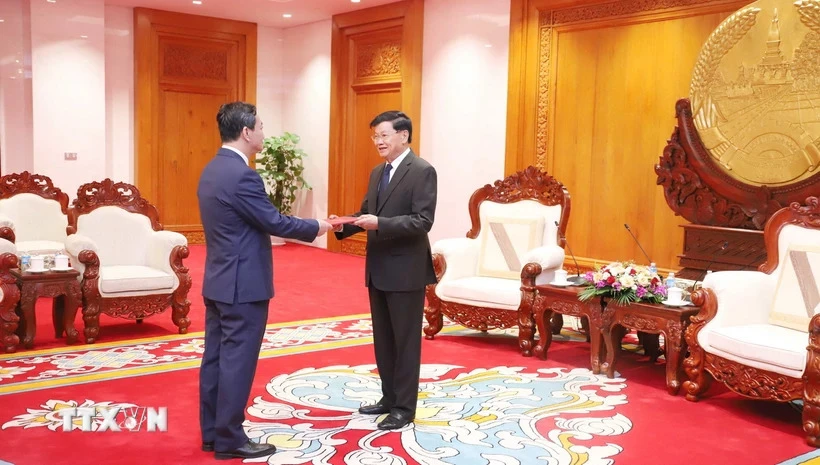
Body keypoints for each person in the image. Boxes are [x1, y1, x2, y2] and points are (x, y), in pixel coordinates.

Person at [197, 101, 332, 460]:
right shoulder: (243, 175)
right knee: (237, 362)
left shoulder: (212, 169)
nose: (263, 133)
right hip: (243, 285)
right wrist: (318, 226)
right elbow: (274, 222)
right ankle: (229, 439)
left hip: (219, 280)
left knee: (215, 359)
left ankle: (212, 432)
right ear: (246, 132)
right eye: (260, 126)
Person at [333, 110, 437, 430]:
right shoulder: (378, 172)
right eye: (375, 136)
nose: (378, 141)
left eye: (383, 135)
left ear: (403, 136)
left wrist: (381, 223)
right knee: (384, 340)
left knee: (405, 342)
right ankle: (389, 397)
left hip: (406, 272)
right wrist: (341, 225)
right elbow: (368, 213)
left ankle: (404, 408)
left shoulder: (422, 171)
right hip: (377, 269)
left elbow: (423, 221)